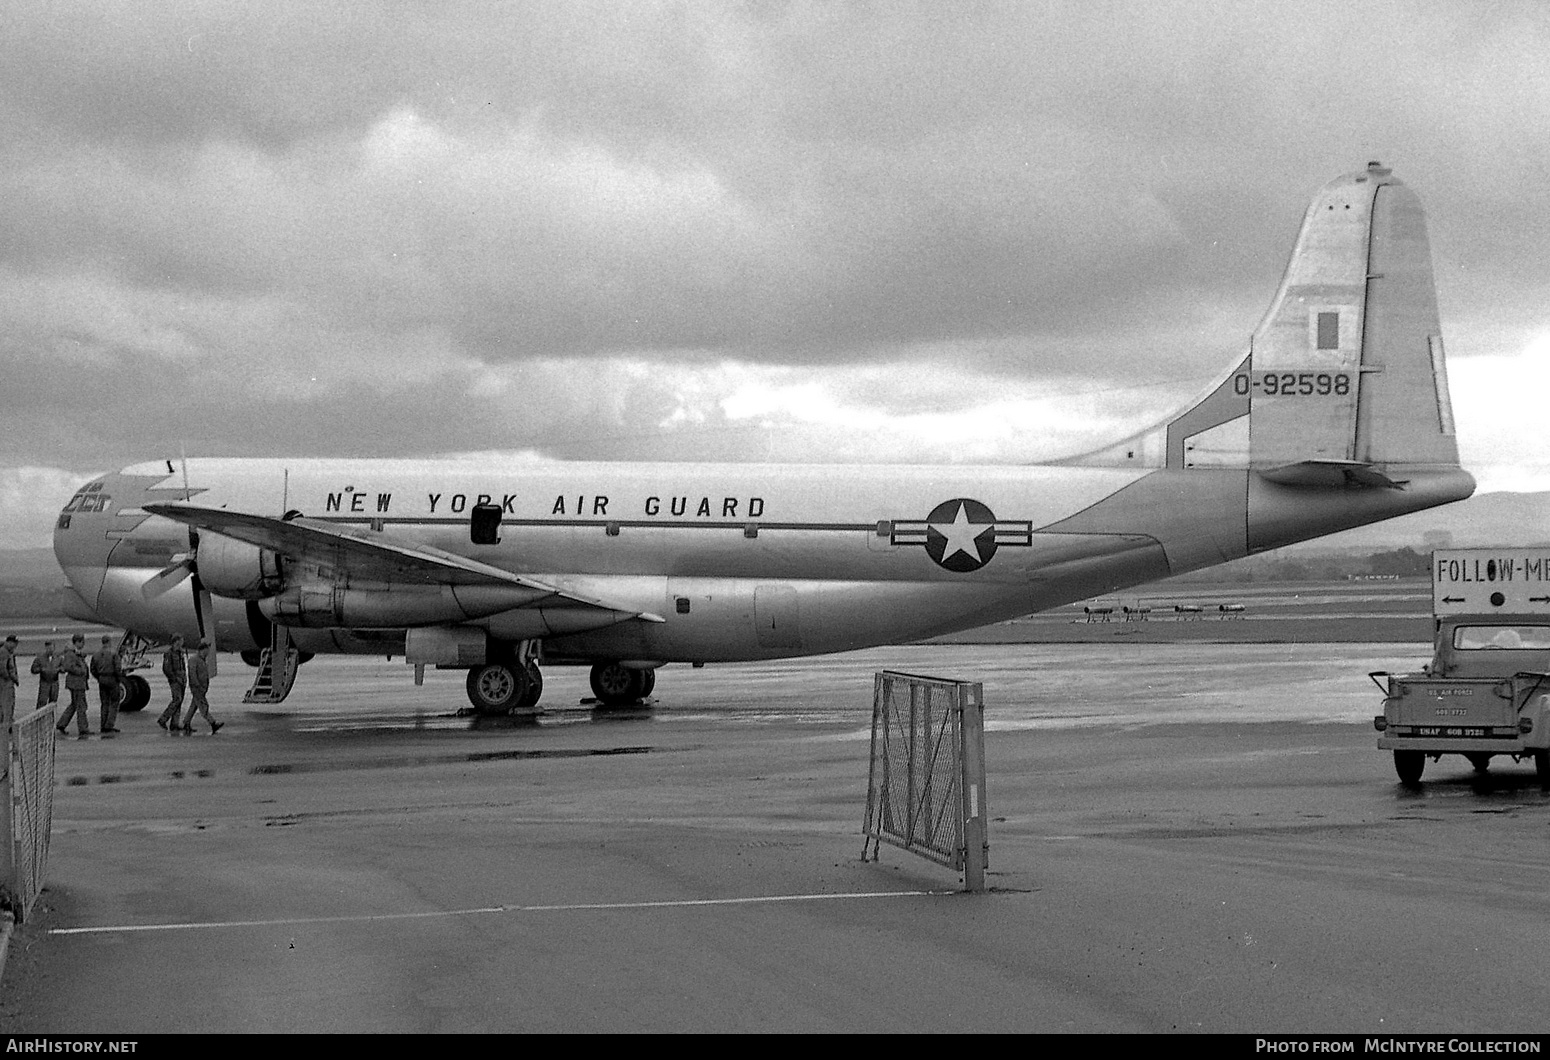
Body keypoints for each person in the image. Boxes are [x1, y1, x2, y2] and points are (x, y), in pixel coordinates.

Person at [182, 641, 222, 735]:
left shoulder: (201, 660)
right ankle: (213, 723)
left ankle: (186, 723)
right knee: (204, 706)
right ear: (201, 650)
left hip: (201, 688)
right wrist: (197, 685)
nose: (207, 653)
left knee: (194, 706)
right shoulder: (194, 660)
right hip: (197, 688)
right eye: (206, 651)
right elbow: (192, 674)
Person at [56, 633, 91, 736]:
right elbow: (68, 666)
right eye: (82, 642)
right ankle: (83, 728)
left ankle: (62, 724)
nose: (83, 644)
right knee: (81, 705)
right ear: (77, 642)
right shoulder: (71, 654)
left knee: (75, 704)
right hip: (76, 683)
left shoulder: (75, 653)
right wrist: (81, 671)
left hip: (78, 683)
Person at [90, 634, 122, 735]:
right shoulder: (114, 653)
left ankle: (103, 724)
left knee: (104, 703)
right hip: (112, 678)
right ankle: (109, 725)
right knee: (114, 702)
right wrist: (118, 679)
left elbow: (92, 669)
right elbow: (117, 668)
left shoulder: (96, 654)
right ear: (109, 642)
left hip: (102, 679)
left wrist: (99, 677)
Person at [158, 635, 186, 732]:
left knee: (180, 701)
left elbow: (183, 667)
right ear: (176, 641)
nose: (182, 643)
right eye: (181, 641)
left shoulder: (180, 652)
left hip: (182, 679)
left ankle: (175, 724)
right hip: (175, 680)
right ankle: (163, 719)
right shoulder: (169, 654)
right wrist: (174, 678)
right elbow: (166, 668)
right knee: (177, 700)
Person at [32, 639, 61, 712]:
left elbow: (64, 667)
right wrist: (41, 669)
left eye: (51, 648)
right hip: (44, 683)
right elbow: (33, 669)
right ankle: (39, 719)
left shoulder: (58, 658)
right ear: (45, 648)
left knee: (53, 702)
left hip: (54, 683)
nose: (50, 650)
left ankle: (51, 719)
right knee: (42, 702)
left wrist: (59, 669)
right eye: (48, 648)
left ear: (54, 648)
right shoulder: (39, 658)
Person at [0, 635, 18, 727]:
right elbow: (2, 668)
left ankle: (7, 723)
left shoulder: (7, 652)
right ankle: (6, 725)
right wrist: (9, 678)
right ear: (9, 642)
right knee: (6, 704)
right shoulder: (4, 652)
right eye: (14, 644)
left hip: (6, 682)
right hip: (5, 683)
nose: (15, 646)